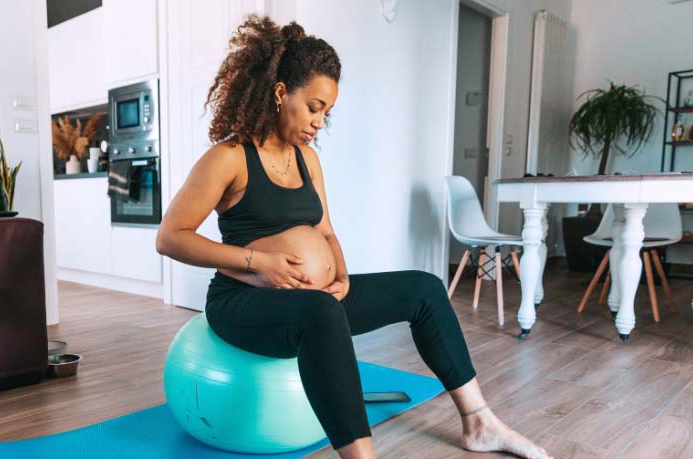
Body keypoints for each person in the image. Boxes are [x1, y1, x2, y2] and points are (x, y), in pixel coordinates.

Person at [156, 15, 552, 459]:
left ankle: (479, 422)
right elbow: (171, 237)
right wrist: (259, 262)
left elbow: (325, 230)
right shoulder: (229, 157)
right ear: (281, 92)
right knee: (321, 313)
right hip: (242, 301)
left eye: (327, 111)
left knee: (425, 289)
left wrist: (340, 274)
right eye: (314, 106)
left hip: (314, 298)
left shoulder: (308, 159)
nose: (320, 122)